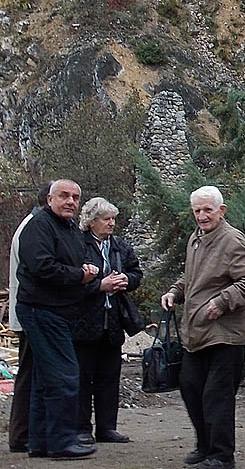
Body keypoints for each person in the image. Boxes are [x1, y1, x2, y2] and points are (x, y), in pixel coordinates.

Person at [161, 185, 245, 469]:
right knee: (190, 388)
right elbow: (192, 277)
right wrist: (174, 292)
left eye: (207, 210)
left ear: (222, 210)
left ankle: (221, 455)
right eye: (197, 210)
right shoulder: (196, 238)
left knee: (216, 397)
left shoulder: (232, 240)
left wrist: (223, 301)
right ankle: (205, 446)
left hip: (224, 335)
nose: (202, 216)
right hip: (196, 333)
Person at [16, 178, 98, 459]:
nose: (70, 202)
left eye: (75, 197)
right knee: (64, 375)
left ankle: (40, 442)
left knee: (44, 379)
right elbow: (43, 267)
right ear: (50, 199)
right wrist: (80, 276)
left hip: (60, 311)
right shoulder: (38, 226)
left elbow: (69, 262)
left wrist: (85, 269)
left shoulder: (70, 228)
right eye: (64, 195)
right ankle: (61, 441)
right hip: (41, 310)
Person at [73, 197, 143, 444]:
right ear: (92, 221)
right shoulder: (77, 244)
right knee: (82, 378)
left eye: (113, 218)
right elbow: (69, 282)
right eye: (106, 219)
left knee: (109, 378)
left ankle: (107, 428)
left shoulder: (119, 245)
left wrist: (126, 280)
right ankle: (81, 428)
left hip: (112, 321)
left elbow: (136, 272)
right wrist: (99, 286)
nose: (112, 223)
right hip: (83, 321)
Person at [7, 181, 51, 454]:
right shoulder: (34, 227)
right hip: (30, 313)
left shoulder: (33, 224)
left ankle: (24, 432)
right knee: (28, 374)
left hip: (28, 311)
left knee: (31, 373)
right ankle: (21, 434)